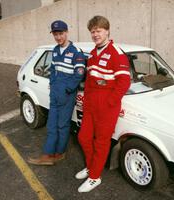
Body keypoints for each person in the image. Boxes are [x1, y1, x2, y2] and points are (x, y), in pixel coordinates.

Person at [75, 16, 131, 192]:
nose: (95, 34)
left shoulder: (117, 53)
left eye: (98, 30)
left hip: (107, 108)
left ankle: (95, 177)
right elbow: (91, 81)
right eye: (92, 31)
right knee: (83, 137)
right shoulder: (92, 54)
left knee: (101, 142)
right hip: (91, 106)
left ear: (107, 31)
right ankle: (92, 166)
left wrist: (109, 102)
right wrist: (87, 102)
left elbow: (124, 82)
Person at [28, 20, 86, 165]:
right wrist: (53, 84)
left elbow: (79, 73)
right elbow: (53, 69)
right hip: (54, 93)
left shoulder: (75, 52)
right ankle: (48, 154)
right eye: (55, 34)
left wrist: (67, 89)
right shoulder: (55, 50)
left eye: (60, 33)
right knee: (51, 124)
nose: (58, 37)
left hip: (66, 95)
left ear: (66, 32)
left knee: (62, 125)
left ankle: (59, 153)